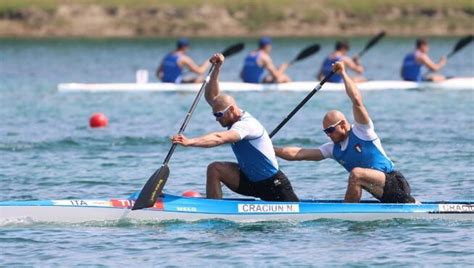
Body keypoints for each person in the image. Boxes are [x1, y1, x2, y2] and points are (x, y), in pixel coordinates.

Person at [275, 61, 416, 203]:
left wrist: (343, 73)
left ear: (342, 124)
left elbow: (357, 101)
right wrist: (270, 148)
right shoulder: (332, 149)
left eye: (330, 130)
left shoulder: (362, 131)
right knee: (357, 175)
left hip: (395, 182)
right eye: (326, 132)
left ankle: (347, 212)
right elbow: (298, 154)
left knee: (356, 173)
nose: (328, 135)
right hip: (382, 193)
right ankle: (351, 215)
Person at [172, 53, 299, 202]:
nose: (217, 119)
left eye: (219, 115)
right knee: (214, 168)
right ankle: (213, 209)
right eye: (215, 115)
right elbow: (211, 96)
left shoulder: (246, 125)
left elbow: (219, 138)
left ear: (232, 109)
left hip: (273, 185)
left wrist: (190, 142)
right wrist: (217, 69)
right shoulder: (228, 113)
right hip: (250, 181)